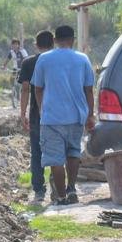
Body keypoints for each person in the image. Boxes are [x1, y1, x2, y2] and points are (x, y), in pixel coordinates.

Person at [31, 24, 96, 206]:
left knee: (55, 159)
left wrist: (43, 109)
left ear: (55, 40)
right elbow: (89, 90)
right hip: (76, 117)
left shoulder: (44, 59)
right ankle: (72, 189)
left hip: (52, 118)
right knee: (73, 153)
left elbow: (38, 88)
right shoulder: (83, 59)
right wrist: (90, 115)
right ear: (72, 39)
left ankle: (60, 197)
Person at [17, 29, 54, 204]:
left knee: (37, 152)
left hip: (36, 114)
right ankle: (59, 186)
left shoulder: (29, 62)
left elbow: (25, 89)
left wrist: (22, 112)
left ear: (35, 45)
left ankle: (39, 190)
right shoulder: (58, 62)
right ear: (53, 43)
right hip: (58, 113)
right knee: (58, 149)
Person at [3, 38, 29, 106]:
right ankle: (14, 93)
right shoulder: (11, 52)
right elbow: (7, 60)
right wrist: (4, 66)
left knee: (22, 83)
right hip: (15, 69)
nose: (14, 46)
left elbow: (27, 59)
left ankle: (22, 94)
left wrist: (26, 67)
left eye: (16, 44)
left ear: (18, 45)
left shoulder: (22, 51)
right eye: (13, 44)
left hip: (22, 69)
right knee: (12, 80)